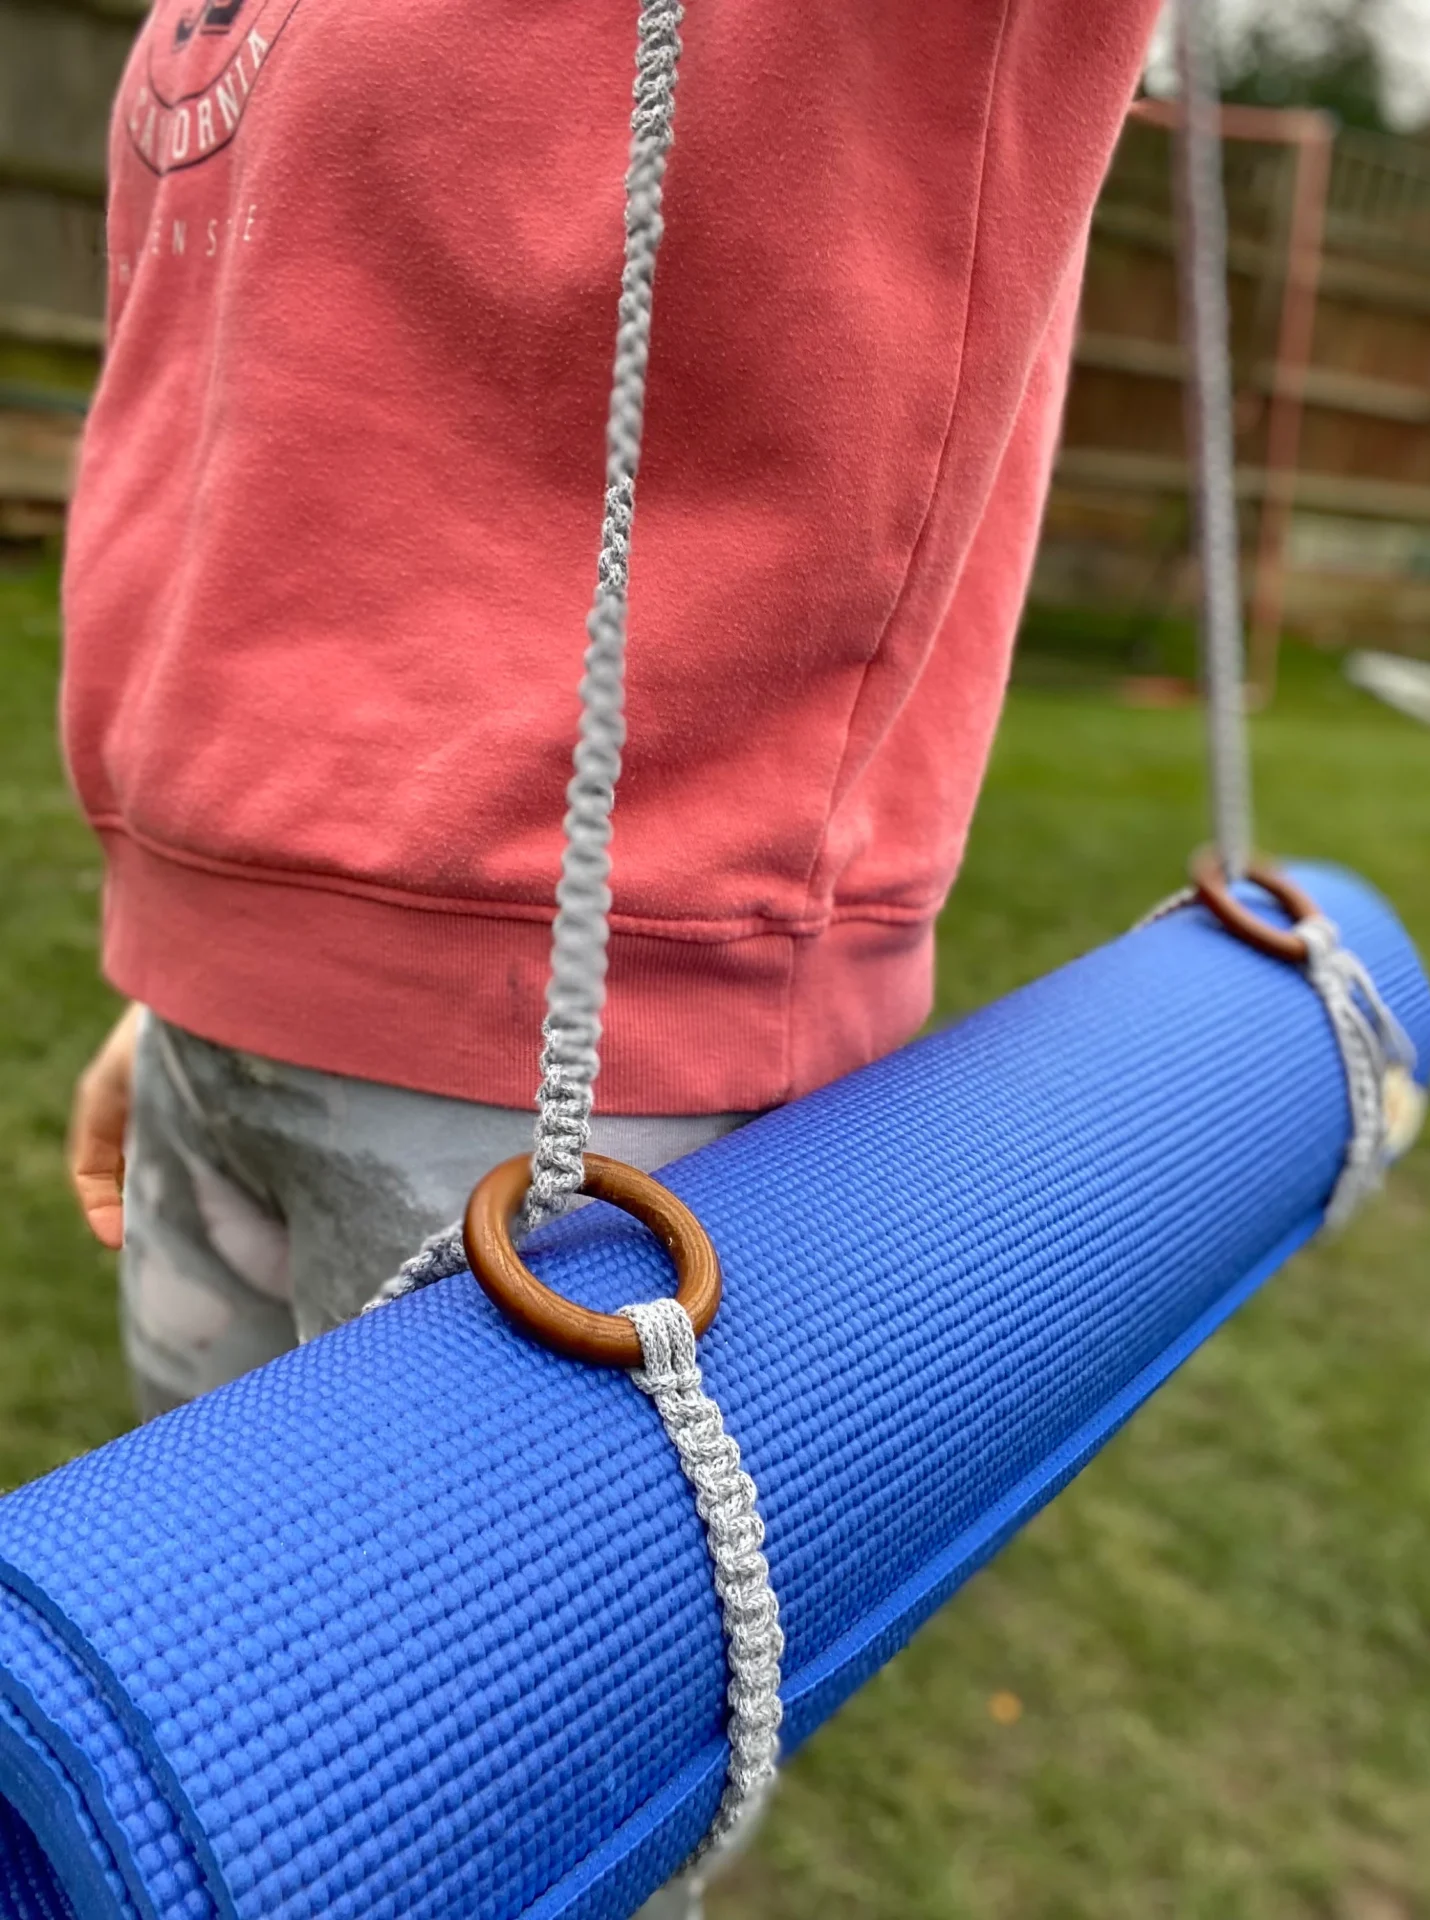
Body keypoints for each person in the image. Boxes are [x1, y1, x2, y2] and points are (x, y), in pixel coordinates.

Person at [63, 0, 1158, 1907]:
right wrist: (208, 947)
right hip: (215, 1020)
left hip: (577, 1070)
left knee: (441, 1836)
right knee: (197, 1795)